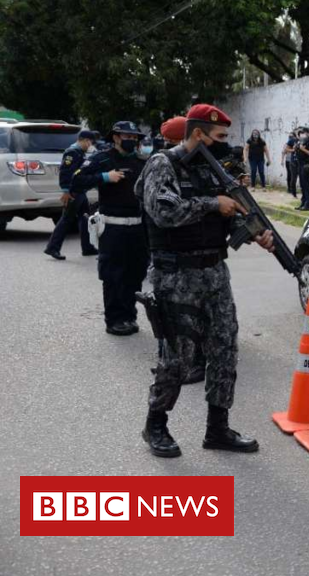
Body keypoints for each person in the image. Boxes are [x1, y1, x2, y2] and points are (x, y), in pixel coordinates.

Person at [134, 103, 273, 459]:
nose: (225, 144)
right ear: (198, 134)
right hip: (175, 275)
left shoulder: (215, 171)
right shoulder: (163, 165)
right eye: (219, 137)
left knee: (224, 348)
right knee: (177, 357)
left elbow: (228, 219)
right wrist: (213, 204)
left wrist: (255, 232)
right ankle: (156, 424)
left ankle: (218, 428)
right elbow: (163, 211)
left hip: (214, 273)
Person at [72, 121, 149, 336]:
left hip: (137, 226)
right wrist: (105, 177)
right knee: (114, 275)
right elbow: (77, 181)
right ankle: (114, 319)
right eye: (127, 136)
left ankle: (129, 315)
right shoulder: (102, 158)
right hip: (112, 226)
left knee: (135, 273)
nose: (131, 141)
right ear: (115, 137)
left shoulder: (141, 161)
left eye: (135, 138)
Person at [44, 129, 100, 260]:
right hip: (73, 192)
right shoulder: (72, 152)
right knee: (66, 219)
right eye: (90, 142)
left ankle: (87, 248)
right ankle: (52, 247)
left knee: (85, 218)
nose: (90, 145)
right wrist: (65, 190)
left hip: (80, 191)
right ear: (85, 140)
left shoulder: (80, 153)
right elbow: (66, 172)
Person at [295, 127, 309, 210]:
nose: (302, 134)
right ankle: (303, 203)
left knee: (306, 185)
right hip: (300, 165)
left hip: (307, 165)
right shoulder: (300, 141)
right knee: (302, 185)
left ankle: (308, 205)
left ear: (308, 133)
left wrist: (303, 150)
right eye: (301, 133)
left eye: (303, 132)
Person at [283, 130, 298, 197]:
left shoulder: (296, 143)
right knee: (289, 175)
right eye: (290, 136)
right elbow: (284, 151)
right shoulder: (287, 143)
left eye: (292, 136)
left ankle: (292, 189)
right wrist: (281, 160)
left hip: (294, 161)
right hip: (288, 161)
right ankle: (289, 188)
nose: (291, 137)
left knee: (293, 176)